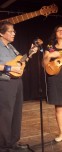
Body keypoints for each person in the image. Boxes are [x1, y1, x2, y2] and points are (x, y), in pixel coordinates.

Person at [0, 21, 38, 151]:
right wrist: (9, 67)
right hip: (5, 83)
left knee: (17, 112)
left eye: (14, 31)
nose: (13, 33)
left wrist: (31, 53)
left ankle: (13, 142)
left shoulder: (11, 47)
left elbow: (20, 62)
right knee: (5, 114)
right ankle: (4, 145)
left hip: (17, 82)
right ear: (1, 33)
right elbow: (10, 66)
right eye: (10, 31)